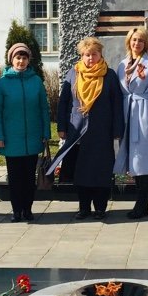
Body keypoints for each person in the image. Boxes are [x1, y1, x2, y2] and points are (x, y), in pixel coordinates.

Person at [55, 37, 124, 220]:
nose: (90, 58)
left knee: (101, 172)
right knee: (82, 173)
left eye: (94, 54)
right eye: (87, 54)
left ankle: (100, 208)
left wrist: (118, 129)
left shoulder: (109, 75)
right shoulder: (73, 74)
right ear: (81, 55)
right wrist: (62, 127)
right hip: (78, 133)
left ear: (101, 55)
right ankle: (84, 208)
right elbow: (63, 102)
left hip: (102, 132)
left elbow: (117, 103)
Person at [0, 43, 50, 223]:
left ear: (28, 60)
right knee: (15, 177)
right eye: (18, 58)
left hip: (33, 137)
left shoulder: (36, 81)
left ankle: (28, 209)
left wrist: (46, 132)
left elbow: (43, 109)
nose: (21, 61)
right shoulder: (2, 83)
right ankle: (16, 210)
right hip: (11, 139)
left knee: (29, 177)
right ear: (12, 60)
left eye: (24, 58)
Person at [114, 27, 148, 219]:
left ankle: (142, 202)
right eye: (134, 40)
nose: (137, 43)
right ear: (129, 42)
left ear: (146, 44)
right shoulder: (122, 64)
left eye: (141, 41)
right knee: (133, 160)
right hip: (128, 114)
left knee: (144, 159)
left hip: (146, 114)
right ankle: (141, 203)